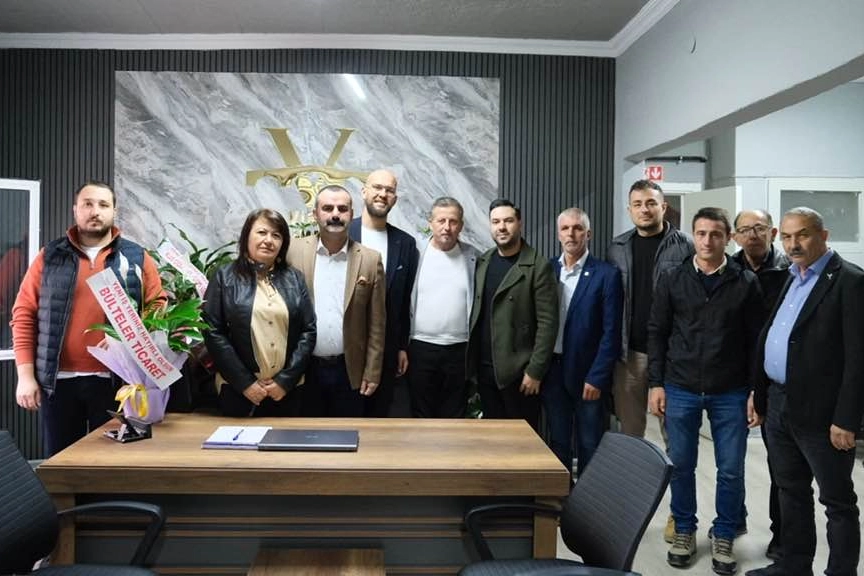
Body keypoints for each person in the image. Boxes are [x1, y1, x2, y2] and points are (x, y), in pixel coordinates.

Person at [747, 207, 864, 576]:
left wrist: (847, 419)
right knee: (790, 490)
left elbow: (859, 359)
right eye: (786, 236)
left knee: (837, 502)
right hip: (780, 403)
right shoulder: (793, 276)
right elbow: (778, 336)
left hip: (823, 414)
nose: (793, 244)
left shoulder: (850, 281)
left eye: (803, 235)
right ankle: (794, 566)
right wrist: (760, 395)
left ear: (823, 236)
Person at [648, 207, 764, 575]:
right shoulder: (673, 278)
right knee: (681, 465)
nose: (707, 241)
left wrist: (755, 392)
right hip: (680, 386)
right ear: (693, 236)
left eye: (716, 234)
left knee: (730, 469)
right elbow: (657, 332)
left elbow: (755, 342)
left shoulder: (746, 283)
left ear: (728, 238)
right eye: (701, 233)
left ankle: (725, 534)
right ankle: (684, 529)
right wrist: (655, 383)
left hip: (730, 390)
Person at [11, 181, 164, 457]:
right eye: (88, 204)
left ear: (114, 211)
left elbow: (158, 309)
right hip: (58, 383)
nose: (95, 211)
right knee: (61, 463)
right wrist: (25, 376)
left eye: (103, 205)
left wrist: (125, 337)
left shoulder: (137, 257)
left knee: (112, 465)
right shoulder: (49, 256)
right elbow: (23, 315)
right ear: (75, 210)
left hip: (117, 383)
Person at [203, 209, 316, 417]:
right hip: (238, 390)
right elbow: (212, 331)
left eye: (276, 235)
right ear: (247, 236)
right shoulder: (224, 276)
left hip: (287, 391)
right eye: (262, 232)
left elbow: (308, 331)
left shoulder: (294, 278)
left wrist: (285, 381)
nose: (268, 240)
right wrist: (245, 383)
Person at [288, 184, 386, 417]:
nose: (335, 214)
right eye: (327, 208)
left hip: (349, 370)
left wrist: (372, 372)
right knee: (304, 434)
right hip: (303, 368)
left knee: (347, 433)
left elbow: (377, 325)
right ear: (315, 214)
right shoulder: (293, 251)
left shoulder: (370, 260)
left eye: (342, 209)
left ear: (351, 214)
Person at [607, 179, 693, 438]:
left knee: (676, 435)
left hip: (671, 354)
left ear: (663, 207)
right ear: (629, 210)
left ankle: (675, 469)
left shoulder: (685, 246)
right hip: (630, 355)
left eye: (651, 203)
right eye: (637, 204)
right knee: (630, 432)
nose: (644, 209)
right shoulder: (617, 247)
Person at [542, 207, 621, 476]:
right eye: (565, 228)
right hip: (552, 372)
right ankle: (561, 498)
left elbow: (611, 333)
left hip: (588, 375)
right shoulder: (547, 270)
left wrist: (597, 377)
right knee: (558, 442)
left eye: (577, 228)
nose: (571, 234)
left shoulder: (606, 274)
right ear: (558, 234)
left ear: (588, 234)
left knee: (589, 443)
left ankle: (587, 501)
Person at [466, 199, 558, 432]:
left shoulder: (537, 266)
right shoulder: (484, 260)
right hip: (485, 370)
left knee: (522, 441)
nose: (502, 227)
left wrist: (535, 371)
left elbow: (548, 324)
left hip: (519, 373)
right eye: (496, 222)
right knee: (492, 438)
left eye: (508, 221)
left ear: (519, 223)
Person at [731, 209, 789, 561]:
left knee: (780, 464)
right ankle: (733, 518)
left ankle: (781, 535)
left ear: (773, 232)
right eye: (745, 230)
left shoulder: (790, 272)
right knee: (729, 458)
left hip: (772, 380)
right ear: (735, 236)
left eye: (759, 228)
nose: (752, 235)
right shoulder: (729, 269)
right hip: (732, 378)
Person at [349, 169, 418, 417]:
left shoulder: (405, 243)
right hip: (345, 350)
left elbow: (404, 300)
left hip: (386, 350)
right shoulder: (343, 234)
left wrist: (401, 347)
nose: (382, 194)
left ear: (395, 199)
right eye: (377, 187)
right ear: (364, 192)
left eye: (389, 190)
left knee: (379, 421)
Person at [408, 197, 477, 418]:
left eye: (453, 221)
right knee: (421, 414)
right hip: (421, 347)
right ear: (430, 223)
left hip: (459, 349)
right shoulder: (415, 253)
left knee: (455, 415)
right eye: (441, 221)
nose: (447, 227)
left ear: (461, 225)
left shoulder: (473, 257)